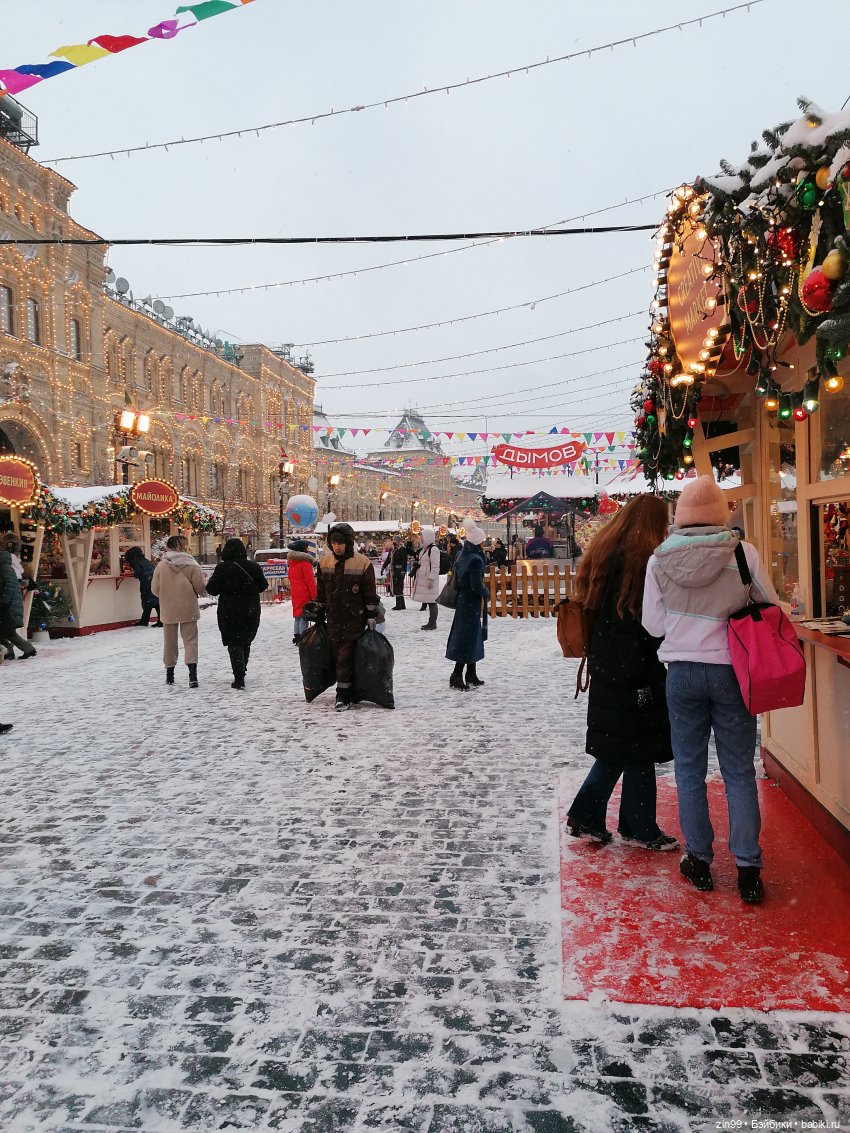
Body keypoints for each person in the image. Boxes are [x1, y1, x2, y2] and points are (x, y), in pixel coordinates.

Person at [642, 476, 777, 905]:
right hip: (733, 671)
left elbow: (653, 625)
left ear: (680, 515)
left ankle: (698, 859)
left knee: (689, 769)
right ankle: (747, 868)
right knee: (738, 771)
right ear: (721, 513)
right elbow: (768, 602)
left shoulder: (659, 560)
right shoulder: (743, 553)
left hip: (681, 672)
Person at [566, 496, 679, 852]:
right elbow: (631, 624)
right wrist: (643, 677)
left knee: (626, 747)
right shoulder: (640, 560)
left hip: (607, 665)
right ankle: (633, 825)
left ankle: (612, 820)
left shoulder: (606, 552)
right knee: (634, 747)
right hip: (631, 668)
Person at [315, 521, 380, 711]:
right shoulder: (325, 562)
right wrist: (319, 610)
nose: (337, 547)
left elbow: (369, 592)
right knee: (339, 657)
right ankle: (351, 690)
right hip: (334, 617)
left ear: (349, 543)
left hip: (354, 618)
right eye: (334, 543)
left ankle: (342, 695)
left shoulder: (362, 562)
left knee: (345, 656)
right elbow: (321, 591)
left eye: (341, 543)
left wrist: (371, 615)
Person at [205, 537, 268, 689]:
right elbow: (263, 585)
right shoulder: (253, 566)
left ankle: (238, 676)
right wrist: (249, 591)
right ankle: (242, 668)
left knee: (234, 642)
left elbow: (212, 589)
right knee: (246, 639)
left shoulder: (222, 568)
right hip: (250, 608)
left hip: (229, 609)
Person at [151, 534, 208, 688]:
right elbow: (200, 588)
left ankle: (170, 674)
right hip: (188, 607)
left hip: (168, 608)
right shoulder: (192, 564)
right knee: (190, 640)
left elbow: (155, 590)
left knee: (169, 642)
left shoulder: (161, 565)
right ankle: (192, 675)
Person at [446, 521, 488, 690]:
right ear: (478, 542)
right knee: (468, 639)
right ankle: (457, 675)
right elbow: (476, 585)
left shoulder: (463, 555)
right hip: (471, 602)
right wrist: (485, 592)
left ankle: (471, 672)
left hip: (463, 601)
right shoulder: (476, 560)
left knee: (468, 637)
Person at [0, 538, 36, 661]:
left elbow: (10, 586)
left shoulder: (4, 569)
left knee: (8, 632)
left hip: (9, 606)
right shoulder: (6, 568)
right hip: (9, 604)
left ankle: (27, 649)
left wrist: (5, 601)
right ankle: (12, 651)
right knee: (6, 632)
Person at [287, 538, 317, 645]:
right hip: (305, 593)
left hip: (296, 592)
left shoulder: (292, 563)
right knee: (304, 617)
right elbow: (310, 582)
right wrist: (314, 596)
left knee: (297, 617)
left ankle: (297, 637)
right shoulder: (305, 564)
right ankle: (303, 638)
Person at [411, 525, 441, 631]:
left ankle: (432, 623)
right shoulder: (424, 549)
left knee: (432, 601)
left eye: (423, 537)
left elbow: (435, 566)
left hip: (429, 579)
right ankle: (431, 622)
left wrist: (431, 579)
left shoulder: (433, 550)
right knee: (429, 601)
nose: (421, 538)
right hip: (424, 578)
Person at [124, 546, 160, 627]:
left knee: (146, 600)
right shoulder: (145, 560)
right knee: (155, 600)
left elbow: (138, 572)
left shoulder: (135, 561)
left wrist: (134, 574)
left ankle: (144, 621)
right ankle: (160, 620)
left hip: (146, 581)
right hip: (153, 580)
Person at [389, 536, 408, 611]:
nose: (394, 542)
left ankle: (399, 604)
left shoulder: (402, 549)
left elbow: (404, 560)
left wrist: (403, 570)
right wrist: (384, 566)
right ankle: (401, 604)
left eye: (395, 540)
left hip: (399, 570)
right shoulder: (394, 549)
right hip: (395, 570)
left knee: (398, 586)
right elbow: (389, 558)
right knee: (397, 586)